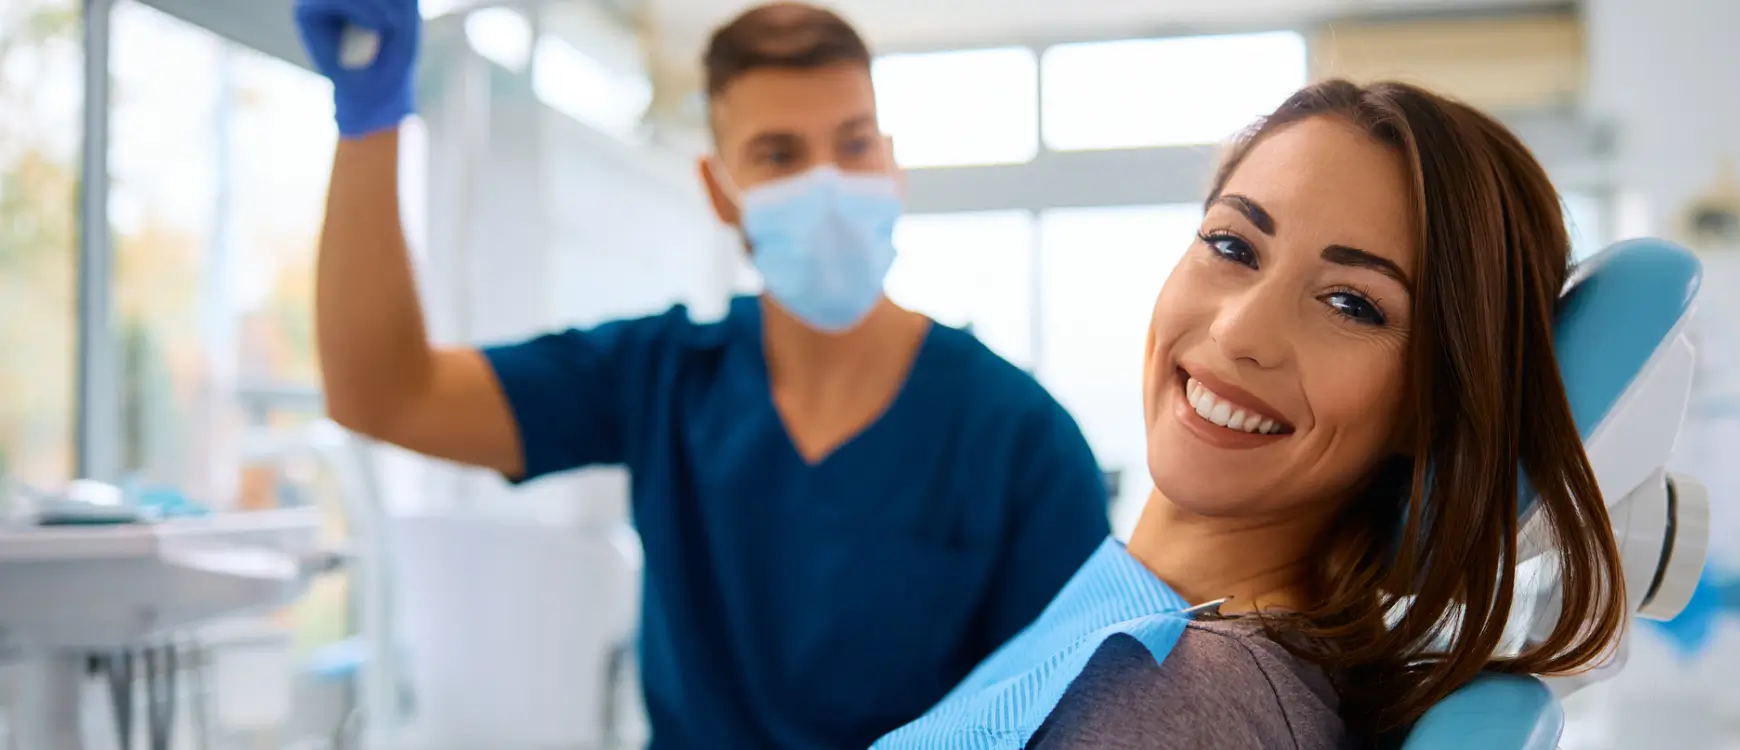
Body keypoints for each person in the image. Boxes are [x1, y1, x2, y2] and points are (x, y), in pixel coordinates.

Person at [290, 2, 1112, 747]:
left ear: (892, 165)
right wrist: (370, 122)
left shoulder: (1023, 441)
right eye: (778, 155)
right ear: (720, 192)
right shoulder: (662, 377)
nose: (826, 184)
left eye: (854, 143)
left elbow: (1068, 723)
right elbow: (386, 393)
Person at [878, 79, 1628, 749]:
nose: (1240, 331)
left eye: (1351, 304)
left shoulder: (1177, 697)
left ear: (1432, 408)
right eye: (1234, 245)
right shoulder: (1146, 625)